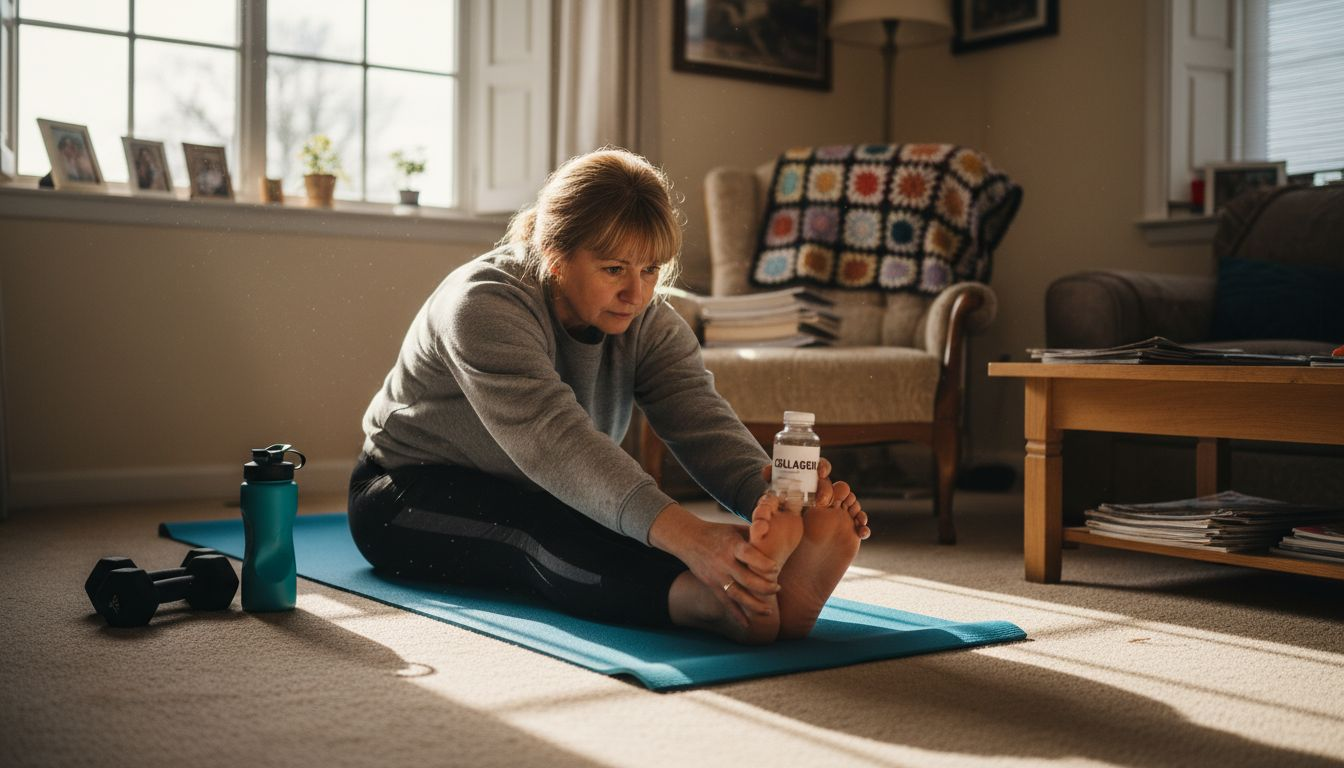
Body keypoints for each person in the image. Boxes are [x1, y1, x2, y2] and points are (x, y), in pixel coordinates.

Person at [348, 148, 870, 644]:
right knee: (540, 530)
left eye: (650, 270)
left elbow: (702, 423)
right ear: (555, 256)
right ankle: (715, 604)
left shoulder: (648, 322)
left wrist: (777, 503)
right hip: (407, 492)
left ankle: (758, 579)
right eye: (615, 269)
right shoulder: (483, 304)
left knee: (618, 520)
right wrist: (695, 540)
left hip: (548, 486)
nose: (637, 294)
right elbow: (556, 444)